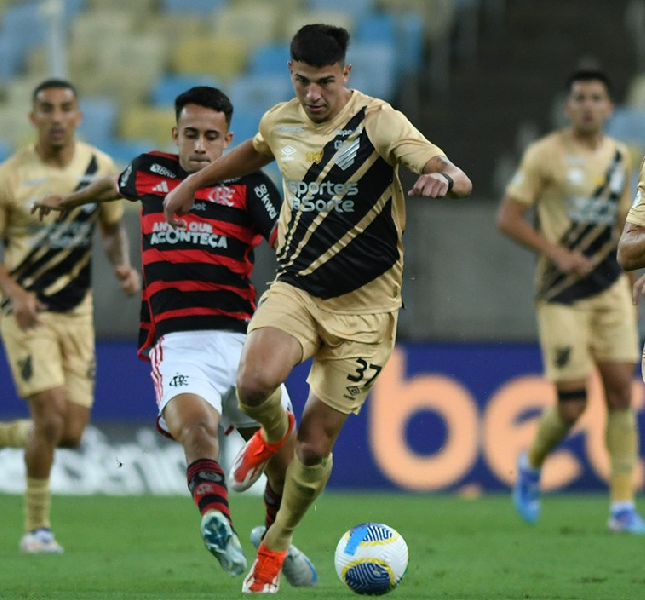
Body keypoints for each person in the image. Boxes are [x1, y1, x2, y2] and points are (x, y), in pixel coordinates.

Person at [164, 25, 472, 593]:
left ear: (345, 76)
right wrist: (193, 185)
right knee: (254, 384)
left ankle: (274, 547)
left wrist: (443, 175)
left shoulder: (379, 121)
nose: (314, 95)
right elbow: (251, 154)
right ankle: (268, 437)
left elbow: (442, 164)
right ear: (291, 74)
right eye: (303, 81)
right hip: (299, 291)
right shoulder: (279, 121)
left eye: (325, 82)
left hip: (367, 313)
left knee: (313, 447)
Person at [32, 86, 317, 587]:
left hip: (245, 344)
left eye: (212, 137)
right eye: (191, 135)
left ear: (228, 139)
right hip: (178, 342)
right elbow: (111, 186)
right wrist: (68, 200)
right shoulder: (150, 170)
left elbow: (289, 246)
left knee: (285, 460)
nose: (201, 146)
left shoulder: (251, 185)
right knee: (199, 431)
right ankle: (216, 521)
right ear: (175, 134)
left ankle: (275, 539)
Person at [0, 79, 139, 554]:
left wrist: (121, 264)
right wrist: (14, 292)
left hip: (76, 311)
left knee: (69, 432)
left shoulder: (98, 167)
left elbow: (110, 228)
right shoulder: (7, 177)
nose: (57, 117)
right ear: (33, 118)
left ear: (78, 116)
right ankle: (37, 529)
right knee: (49, 417)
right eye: (47, 109)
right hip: (26, 313)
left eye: (66, 108)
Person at [497, 68, 644, 534]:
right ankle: (531, 462)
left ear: (609, 108)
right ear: (568, 107)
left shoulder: (624, 157)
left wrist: (637, 274)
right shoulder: (545, 154)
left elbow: (629, 222)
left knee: (622, 391)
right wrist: (558, 253)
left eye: (596, 98)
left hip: (610, 288)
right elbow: (508, 216)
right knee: (573, 404)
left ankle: (622, 507)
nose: (587, 105)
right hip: (561, 293)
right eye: (579, 97)